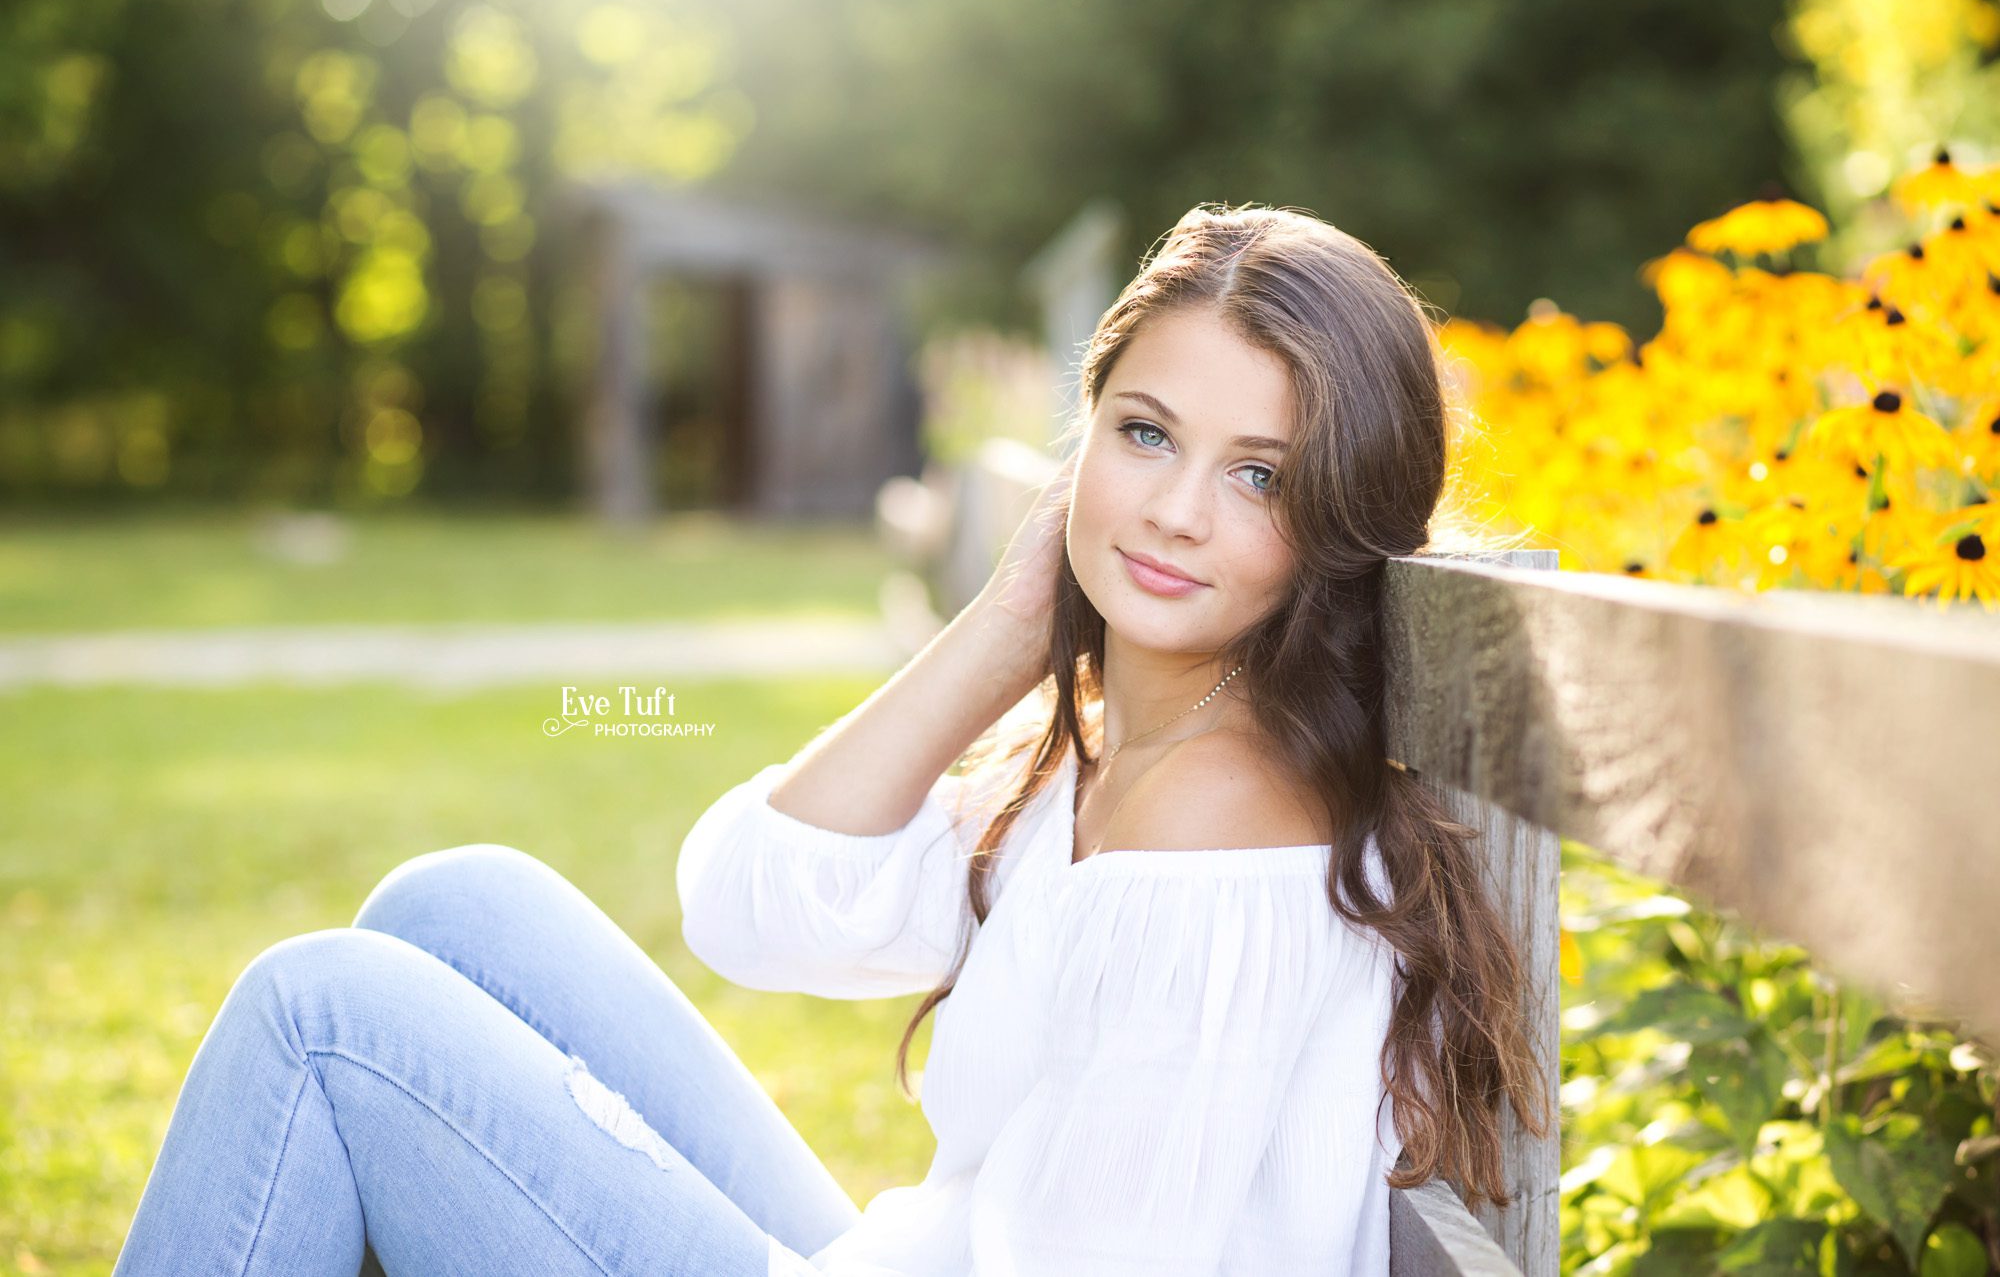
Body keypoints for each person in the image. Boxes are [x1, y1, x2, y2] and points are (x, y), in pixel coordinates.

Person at [111, 202, 1552, 1276]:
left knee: (320, 1019)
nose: (1176, 511)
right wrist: (1004, 628)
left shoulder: (1217, 826)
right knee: (453, 902)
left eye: (1260, 474)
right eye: (1147, 435)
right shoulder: (1131, 748)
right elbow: (750, 908)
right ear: (1083, 440)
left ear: (1340, 521)